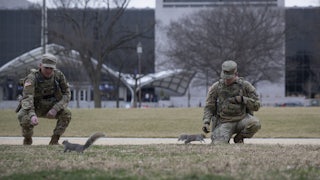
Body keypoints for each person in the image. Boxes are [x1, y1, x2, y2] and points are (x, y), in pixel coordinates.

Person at [17, 53, 72, 145]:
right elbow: (27, 98)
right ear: (40, 65)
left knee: (67, 113)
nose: (49, 71)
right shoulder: (32, 78)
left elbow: (67, 93)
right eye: (46, 68)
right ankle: (27, 139)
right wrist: (32, 114)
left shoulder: (58, 76)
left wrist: (55, 109)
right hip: (34, 106)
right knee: (23, 117)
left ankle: (55, 140)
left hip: (51, 106)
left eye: (51, 68)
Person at [201, 60, 261, 144]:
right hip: (224, 122)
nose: (226, 80)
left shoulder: (245, 86)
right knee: (218, 144)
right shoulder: (217, 87)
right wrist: (206, 122)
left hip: (242, 119)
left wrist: (243, 99)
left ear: (236, 74)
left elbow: (257, 105)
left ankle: (239, 137)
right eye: (225, 77)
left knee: (255, 124)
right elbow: (209, 106)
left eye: (229, 78)